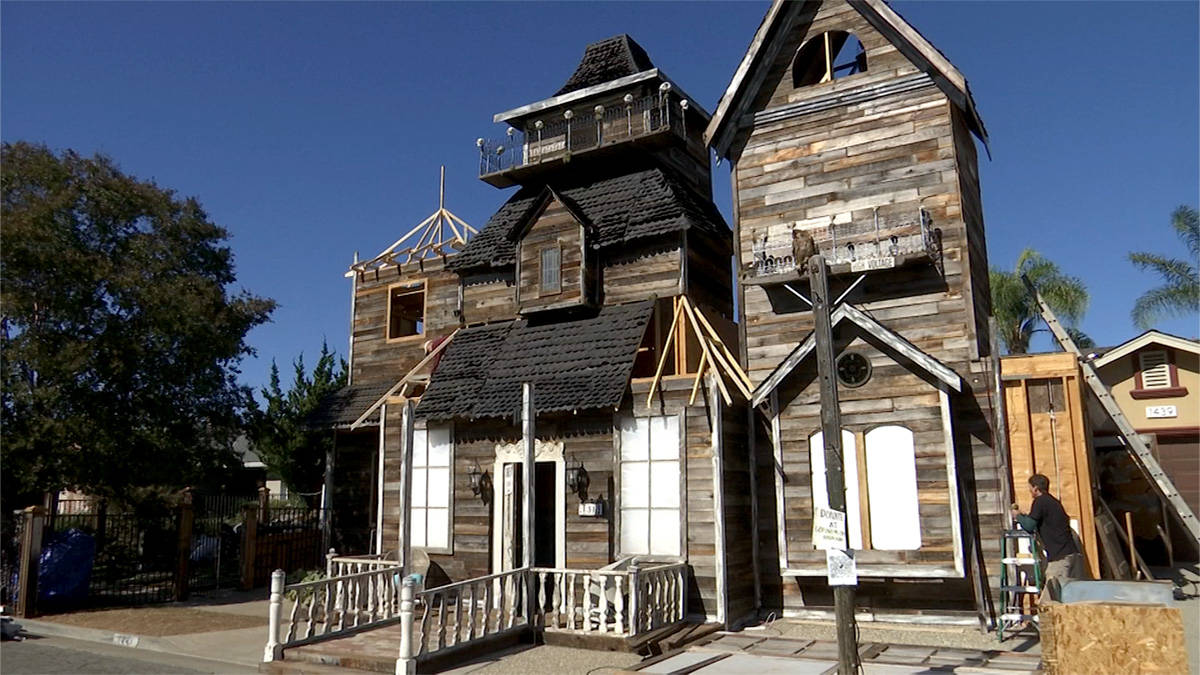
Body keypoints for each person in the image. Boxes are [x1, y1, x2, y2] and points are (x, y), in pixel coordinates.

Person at [1011, 473, 1083, 603]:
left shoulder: (1040, 501)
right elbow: (1037, 520)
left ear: (1036, 488)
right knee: (1066, 599)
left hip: (1060, 559)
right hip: (1071, 555)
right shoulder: (1052, 502)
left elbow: (1029, 525)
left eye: (1030, 488)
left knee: (1049, 602)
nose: (1030, 491)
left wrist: (1018, 516)